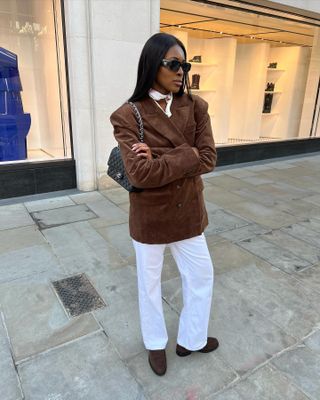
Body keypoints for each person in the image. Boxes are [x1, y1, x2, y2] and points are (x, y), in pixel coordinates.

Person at [110, 32, 218, 376]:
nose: (181, 71)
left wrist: (160, 154)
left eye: (184, 64)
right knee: (149, 284)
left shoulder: (196, 106)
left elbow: (209, 159)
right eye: (173, 64)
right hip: (150, 217)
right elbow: (140, 174)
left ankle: (192, 338)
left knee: (202, 275)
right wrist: (186, 155)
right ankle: (155, 343)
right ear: (151, 65)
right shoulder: (127, 115)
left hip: (188, 212)